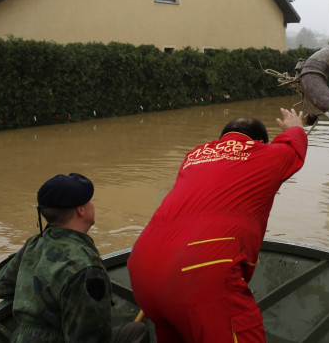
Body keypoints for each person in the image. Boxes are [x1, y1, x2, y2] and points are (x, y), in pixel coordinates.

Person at [127, 108, 308, 343]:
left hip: (141, 264)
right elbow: (295, 148)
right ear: (260, 142)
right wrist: (295, 126)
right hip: (201, 269)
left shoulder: (194, 156)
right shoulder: (269, 154)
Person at [0, 173, 148, 343]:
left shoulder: (34, 243)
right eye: (89, 201)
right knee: (137, 332)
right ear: (81, 210)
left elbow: (1, 287)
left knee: (134, 330)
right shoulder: (86, 268)